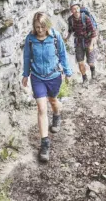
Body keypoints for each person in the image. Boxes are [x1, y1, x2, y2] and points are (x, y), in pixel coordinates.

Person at [22, 12, 73, 163]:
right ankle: (45, 144)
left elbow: (63, 55)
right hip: (37, 77)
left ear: (47, 25)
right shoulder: (30, 39)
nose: (40, 30)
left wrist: (68, 72)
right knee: (41, 108)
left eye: (43, 27)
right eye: (37, 27)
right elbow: (26, 57)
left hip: (53, 76)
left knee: (53, 101)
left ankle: (57, 115)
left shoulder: (55, 37)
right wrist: (25, 74)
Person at [64, 2, 97, 84]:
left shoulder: (86, 18)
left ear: (79, 8)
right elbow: (70, 30)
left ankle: (93, 70)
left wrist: (91, 45)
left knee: (90, 63)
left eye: (77, 8)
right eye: (73, 9)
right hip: (78, 43)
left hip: (88, 41)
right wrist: (67, 38)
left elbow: (93, 33)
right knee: (80, 63)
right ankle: (85, 78)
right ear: (71, 10)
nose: (75, 10)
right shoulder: (70, 20)